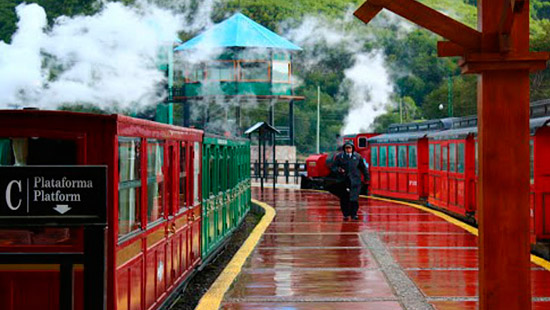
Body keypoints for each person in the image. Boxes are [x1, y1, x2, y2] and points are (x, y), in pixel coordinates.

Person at [330, 141, 369, 221]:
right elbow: (333, 167)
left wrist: (366, 178)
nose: (348, 149)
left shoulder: (358, 157)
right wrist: (339, 170)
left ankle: (354, 214)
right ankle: (345, 214)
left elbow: (363, 168)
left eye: (349, 148)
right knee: (344, 199)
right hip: (343, 181)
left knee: (354, 199)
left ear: (352, 148)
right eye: (346, 148)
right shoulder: (340, 157)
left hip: (355, 181)